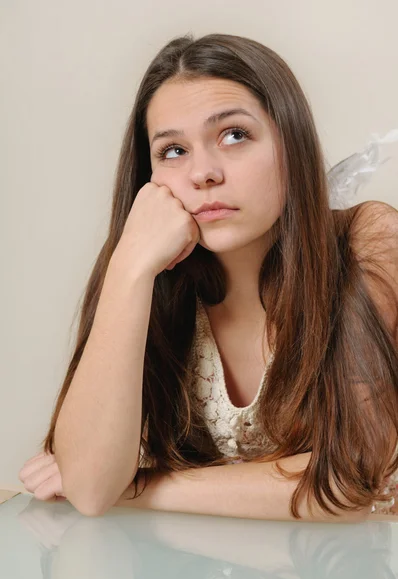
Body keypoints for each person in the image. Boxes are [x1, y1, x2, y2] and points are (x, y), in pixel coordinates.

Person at [19, 33, 398, 520]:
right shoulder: (145, 265)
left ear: (291, 142)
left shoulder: (369, 241)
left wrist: (137, 487)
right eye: (173, 151)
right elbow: (91, 488)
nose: (203, 173)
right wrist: (129, 269)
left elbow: (348, 481)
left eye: (234, 135)